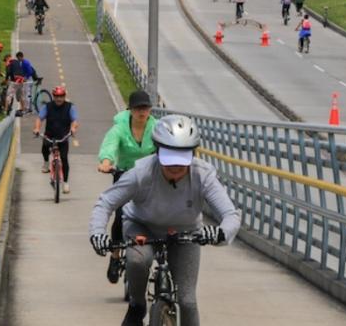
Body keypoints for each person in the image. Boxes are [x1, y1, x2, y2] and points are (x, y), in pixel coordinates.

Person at [89, 115, 241, 326]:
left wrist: (220, 233)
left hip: (186, 232)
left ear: (193, 154)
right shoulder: (141, 173)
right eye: (170, 158)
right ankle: (137, 305)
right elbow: (106, 202)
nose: (176, 167)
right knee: (137, 260)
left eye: (182, 159)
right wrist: (97, 232)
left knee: (187, 301)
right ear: (158, 151)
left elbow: (230, 214)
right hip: (142, 225)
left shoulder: (203, 175)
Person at [97, 90, 157, 284]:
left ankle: (159, 256)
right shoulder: (120, 128)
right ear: (130, 110)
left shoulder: (156, 128)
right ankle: (115, 256)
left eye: (145, 107)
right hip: (124, 175)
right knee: (121, 216)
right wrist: (106, 162)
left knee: (156, 215)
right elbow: (110, 146)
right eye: (138, 108)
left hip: (149, 177)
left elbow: (166, 146)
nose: (142, 111)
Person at [32, 86, 79, 194]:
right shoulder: (48, 107)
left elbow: (74, 121)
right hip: (50, 135)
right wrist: (37, 128)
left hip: (63, 137)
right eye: (57, 96)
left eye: (61, 96)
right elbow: (40, 118)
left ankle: (66, 183)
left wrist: (73, 129)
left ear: (64, 96)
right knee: (44, 148)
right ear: (53, 96)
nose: (59, 99)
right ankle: (46, 163)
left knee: (64, 159)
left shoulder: (70, 107)